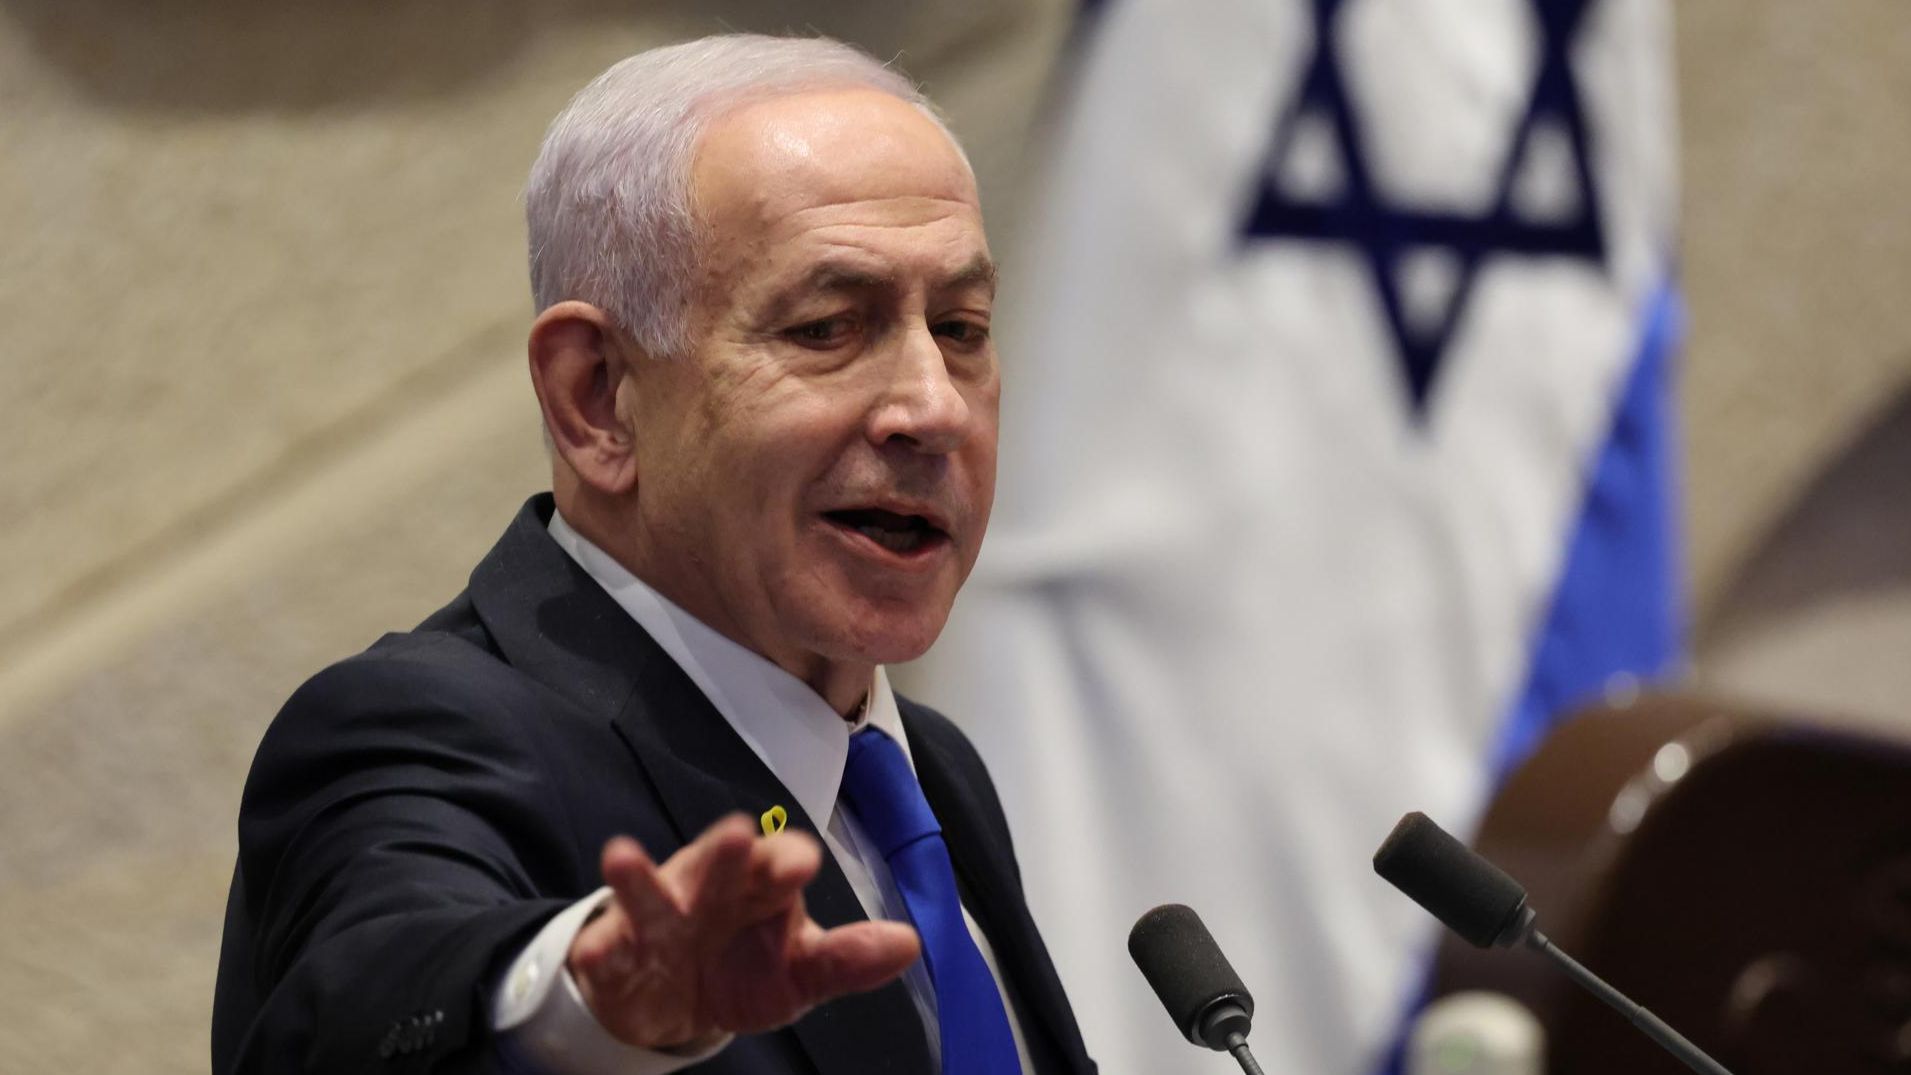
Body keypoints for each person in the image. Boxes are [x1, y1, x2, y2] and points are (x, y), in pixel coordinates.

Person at [210, 33, 1096, 1075]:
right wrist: (584, 1001)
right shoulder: (422, 731)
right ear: (597, 398)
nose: (934, 408)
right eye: (827, 328)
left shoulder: (930, 770)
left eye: (960, 327)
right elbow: (366, 995)